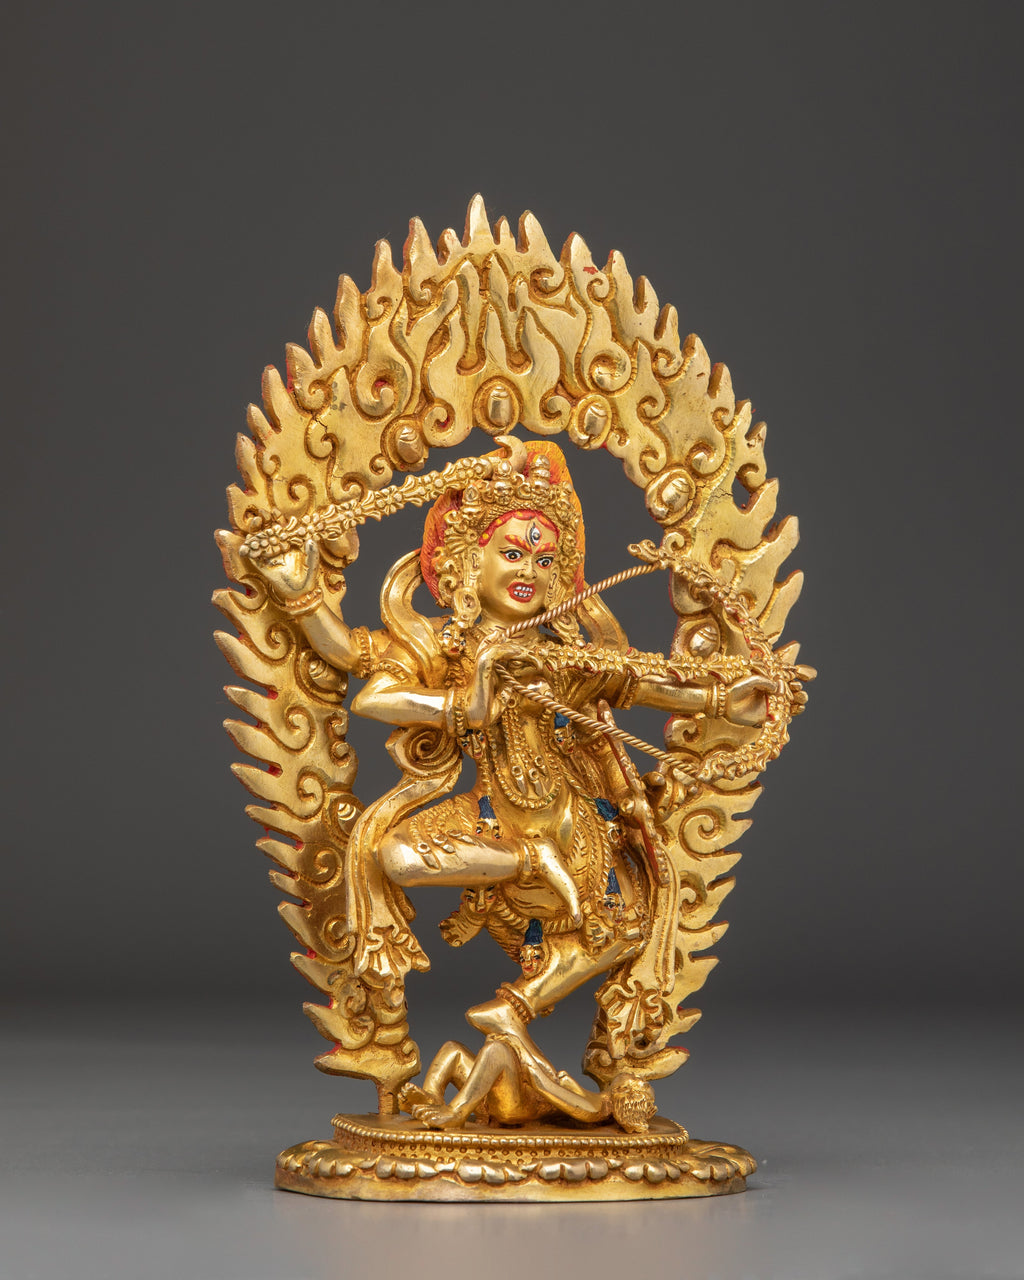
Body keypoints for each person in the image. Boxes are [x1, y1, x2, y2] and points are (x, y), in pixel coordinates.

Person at [243, 436, 774, 1078]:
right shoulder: (445, 646)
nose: (529, 570)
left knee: (624, 924)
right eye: (513, 553)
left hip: (571, 819)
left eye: (545, 560)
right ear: (471, 561)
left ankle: (516, 1008)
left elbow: (637, 682)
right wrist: (300, 594)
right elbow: (366, 679)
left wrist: (721, 697)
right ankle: (528, 865)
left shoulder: (556, 653)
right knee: (393, 855)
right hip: (494, 820)